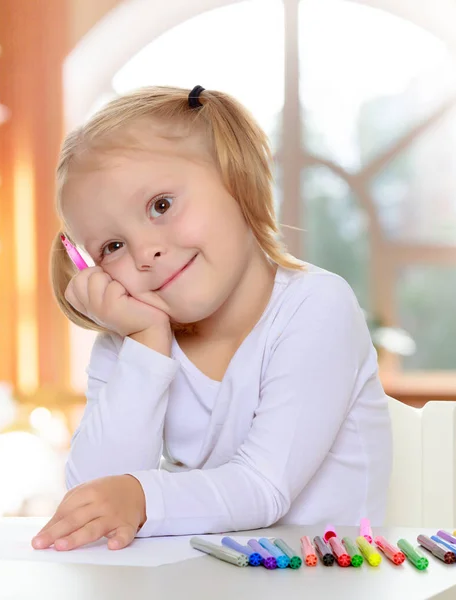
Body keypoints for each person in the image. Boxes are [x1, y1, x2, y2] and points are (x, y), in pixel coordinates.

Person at [31, 85, 392, 552]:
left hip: (327, 582)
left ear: (234, 178)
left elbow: (265, 487)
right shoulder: (131, 340)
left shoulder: (317, 306)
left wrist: (142, 497)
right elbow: (95, 504)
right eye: (112, 247)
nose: (145, 252)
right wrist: (144, 341)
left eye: (161, 205)